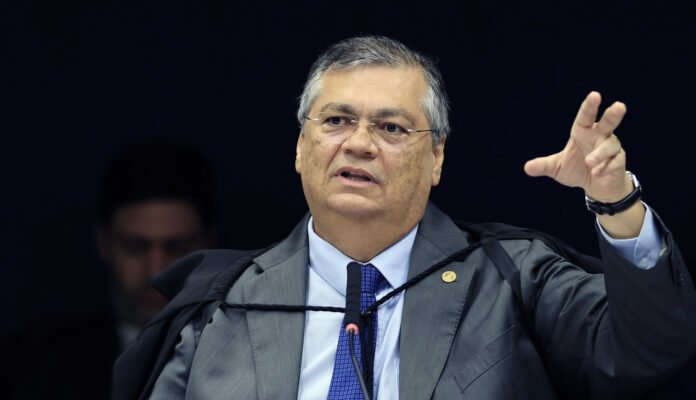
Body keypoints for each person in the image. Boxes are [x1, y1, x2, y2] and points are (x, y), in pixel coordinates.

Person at [114, 36, 696, 400]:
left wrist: (616, 203)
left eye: (391, 127)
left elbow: (651, 348)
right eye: (336, 121)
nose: (359, 143)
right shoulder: (222, 307)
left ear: (437, 157)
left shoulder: (512, 280)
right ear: (299, 147)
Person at [2, 140, 217, 399]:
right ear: (104, 243)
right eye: (135, 247)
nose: (155, 272)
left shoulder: (251, 360)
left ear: (209, 244)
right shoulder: (28, 368)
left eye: (177, 248)